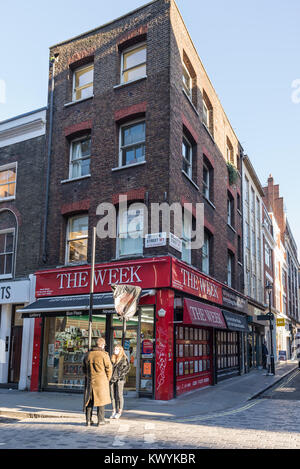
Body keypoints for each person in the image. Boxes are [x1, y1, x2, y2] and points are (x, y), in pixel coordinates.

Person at [82, 337, 112, 427]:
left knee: (89, 400)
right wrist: (107, 379)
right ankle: (101, 420)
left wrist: (88, 376)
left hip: (90, 380)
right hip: (101, 381)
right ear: (102, 345)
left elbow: (83, 368)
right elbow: (109, 368)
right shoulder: (104, 355)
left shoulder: (88, 355)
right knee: (101, 401)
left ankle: (88, 420)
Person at [110, 345, 130, 419]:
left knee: (119, 395)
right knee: (112, 395)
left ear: (120, 350)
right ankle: (113, 410)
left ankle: (119, 411)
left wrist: (119, 375)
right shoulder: (112, 358)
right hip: (111, 379)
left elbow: (126, 369)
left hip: (119, 379)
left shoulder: (124, 359)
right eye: (114, 349)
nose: (115, 350)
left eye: (117, 349)